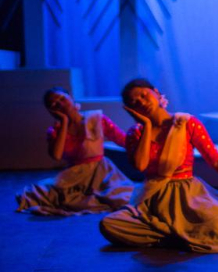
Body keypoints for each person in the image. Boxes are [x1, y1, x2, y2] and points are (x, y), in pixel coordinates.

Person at [99, 79, 218, 253]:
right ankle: (178, 235)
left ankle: (177, 234)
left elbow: (216, 161)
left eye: (144, 95)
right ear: (131, 110)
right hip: (152, 198)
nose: (141, 102)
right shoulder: (135, 133)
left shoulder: (185, 123)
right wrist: (147, 126)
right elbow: (140, 166)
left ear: (156, 93)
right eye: (134, 102)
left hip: (187, 195)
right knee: (110, 224)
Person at [16, 87, 135, 215]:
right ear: (51, 110)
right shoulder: (55, 131)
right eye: (54, 104)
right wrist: (64, 122)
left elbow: (123, 140)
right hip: (74, 174)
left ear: (71, 97)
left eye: (62, 98)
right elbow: (56, 155)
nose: (60, 103)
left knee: (123, 197)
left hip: (101, 171)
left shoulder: (96, 119)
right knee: (31, 193)